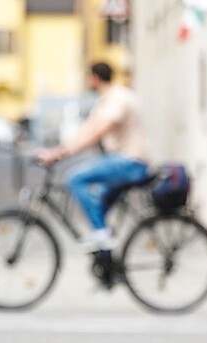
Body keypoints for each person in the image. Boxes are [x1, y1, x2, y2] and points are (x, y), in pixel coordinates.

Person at [37, 62, 150, 287]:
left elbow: (98, 133)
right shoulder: (106, 100)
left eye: (89, 78)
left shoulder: (118, 98)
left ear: (95, 78)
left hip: (130, 162)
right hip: (122, 161)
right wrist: (58, 150)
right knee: (97, 202)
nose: (88, 82)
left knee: (75, 179)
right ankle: (106, 259)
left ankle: (102, 237)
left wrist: (60, 154)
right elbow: (87, 130)